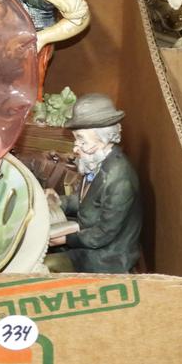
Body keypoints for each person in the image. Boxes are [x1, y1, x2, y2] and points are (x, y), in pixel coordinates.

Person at [49, 93, 141, 274]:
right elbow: (87, 202)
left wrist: (67, 239)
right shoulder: (95, 162)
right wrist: (59, 202)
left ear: (103, 139)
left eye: (82, 140)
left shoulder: (120, 181)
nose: (76, 147)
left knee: (45, 266)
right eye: (76, 139)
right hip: (87, 236)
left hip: (106, 257)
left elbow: (103, 234)